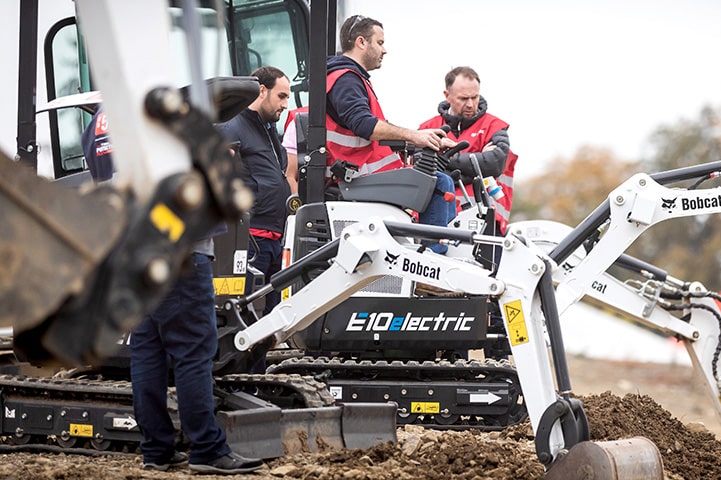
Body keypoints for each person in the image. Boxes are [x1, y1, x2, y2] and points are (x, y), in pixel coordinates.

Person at [81, 111, 265, 475]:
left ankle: (157, 448)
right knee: (193, 353)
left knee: (147, 353)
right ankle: (207, 449)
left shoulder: (102, 119)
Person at [281, 15, 457, 252]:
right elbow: (364, 125)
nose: (385, 50)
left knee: (438, 179)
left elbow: (371, 126)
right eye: (380, 42)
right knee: (438, 183)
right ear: (362, 42)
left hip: (356, 174)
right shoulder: (346, 79)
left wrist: (424, 138)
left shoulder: (348, 77)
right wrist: (416, 136)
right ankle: (433, 264)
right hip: (352, 178)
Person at [218, 66, 292, 329]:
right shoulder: (232, 128)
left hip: (275, 239)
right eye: (281, 96)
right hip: (251, 240)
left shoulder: (270, 130)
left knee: (271, 318)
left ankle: (262, 369)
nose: (285, 104)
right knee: (249, 316)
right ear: (262, 91)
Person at [419, 66, 519, 235]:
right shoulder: (427, 128)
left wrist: (443, 158)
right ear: (447, 95)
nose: (471, 104)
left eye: (475, 97)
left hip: (487, 222)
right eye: (464, 98)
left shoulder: (495, 126)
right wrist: (475, 165)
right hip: (438, 221)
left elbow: (494, 164)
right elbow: (422, 169)